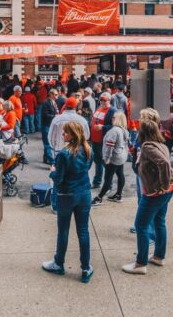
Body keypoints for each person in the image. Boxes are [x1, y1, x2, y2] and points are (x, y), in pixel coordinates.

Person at [42, 121, 94, 283]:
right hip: (84, 193)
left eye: (65, 132)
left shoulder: (64, 154)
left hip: (67, 195)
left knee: (63, 231)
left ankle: (59, 263)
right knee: (83, 231)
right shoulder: (88, 149)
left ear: (73, 134)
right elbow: (87, 168)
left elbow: (59, 179)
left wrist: (52, 172)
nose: (63, 134)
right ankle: (85, 268)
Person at [123, 120, 173, 275]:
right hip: (165, 191)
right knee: (159, 221)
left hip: (154, 193)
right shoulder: (162, 144)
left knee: (141, 226)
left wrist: (163, 184)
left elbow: (164, 163)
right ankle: (159, 256)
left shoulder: (147, 147)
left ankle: (140, 263)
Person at [92, 112, 129, 205]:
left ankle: (99, 198)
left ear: (118, 119)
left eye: (113, 117)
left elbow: (109, 146)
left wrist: (107, 158)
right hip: (121, 156)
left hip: (113, 158)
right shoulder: (124, 129)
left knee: (108, 178)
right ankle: (118, 195)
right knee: (120, 174)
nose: (112, 119)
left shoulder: (114, 130)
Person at [90, 92, 117, 188]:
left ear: (109, 101)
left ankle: (108, 184)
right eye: (101, 100)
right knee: (97, 162)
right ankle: (97, 181)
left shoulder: (112, 110)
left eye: (105, 100)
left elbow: (115, 126)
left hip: (104, 141)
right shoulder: (99, 108)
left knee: (105, 163)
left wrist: (103, 127)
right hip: (95, 140)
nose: (102, 102)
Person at [40, 89, 59, 165]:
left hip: (50, 125)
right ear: (51, 94)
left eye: (57, 94)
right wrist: (55, 116)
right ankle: (52, 161)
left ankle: (45, 158)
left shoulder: (54, 102)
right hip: (46, 125)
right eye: (55, 94)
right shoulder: (46, 103)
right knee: (47, 143)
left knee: (47, 143)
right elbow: (45, 115)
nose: (56, 96)